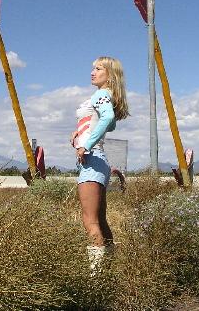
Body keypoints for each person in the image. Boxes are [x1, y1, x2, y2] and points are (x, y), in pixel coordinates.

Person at [70, 56, 129, 273]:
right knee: (100, 221)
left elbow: (107, 119)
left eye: (98, 68)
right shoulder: (103, 96)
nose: (92, 72)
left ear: (110, 75)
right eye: (92, 68)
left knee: (90, 221)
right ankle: (109, 270)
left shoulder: (102, 94)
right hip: (98, 160)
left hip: (92, 160)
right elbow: (110, 124)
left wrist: (85, 143)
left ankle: (96, 276)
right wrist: (80, 131)